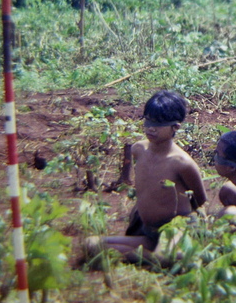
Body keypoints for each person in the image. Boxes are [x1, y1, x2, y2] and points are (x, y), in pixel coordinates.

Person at [85, 90, 207, 263]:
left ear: (175, 127)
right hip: (148, 230)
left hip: (176, 229)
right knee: (91, 244)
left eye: (158, 124)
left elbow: (201, 201)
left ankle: (167, 253)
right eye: (148, 120)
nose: (150, 128)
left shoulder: (182, 163)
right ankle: (153, 254)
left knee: (163, 258)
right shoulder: (138, 150)